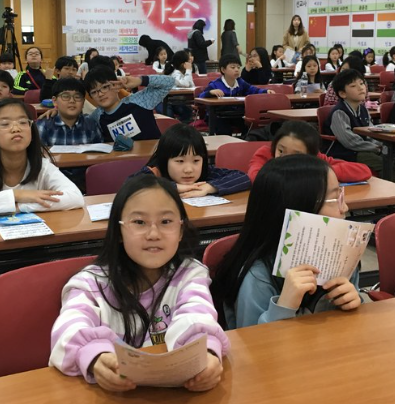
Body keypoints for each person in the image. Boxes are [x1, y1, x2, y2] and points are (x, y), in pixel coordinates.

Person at [49, 175, 229, 392]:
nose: (153, 234)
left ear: (181, 230)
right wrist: (95, 356)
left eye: (166, 222)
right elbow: (70, 327)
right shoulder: (90, 283)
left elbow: (198, 315)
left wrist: (206, 352)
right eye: (139, 222)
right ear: (119, 231)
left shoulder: (190, 274)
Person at [212, 155, 361, 330]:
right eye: (335, 199)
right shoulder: (257, 276)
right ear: (301, 210)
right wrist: (284, 306)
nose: (345, 208)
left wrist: (353, 301)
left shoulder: (340, 254)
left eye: (341, 195)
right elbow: (250, 342)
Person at [0, 99, 84, 220]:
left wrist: (21, 207)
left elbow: (75, 197)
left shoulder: (42, 166)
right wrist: (16, 195)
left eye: (23, 122)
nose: (16, 128)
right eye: (5, 124)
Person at [324, 69, 395, 186]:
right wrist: (376, 148)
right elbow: (350, 141)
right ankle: (388, 197)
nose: (360, 88)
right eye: (353, 86)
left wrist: (380, 146)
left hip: (367, 149)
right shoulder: (339, 112)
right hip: (348, 153)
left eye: (361, 83)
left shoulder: (363, 109)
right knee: (386, 165)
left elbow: (371, 132)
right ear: (343, 94)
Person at [135, 123, 250, 197]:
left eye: (196, 161)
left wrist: (210, 187)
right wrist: (173, 187)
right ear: (165, 160)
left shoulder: (206, 173)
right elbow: (133, 184)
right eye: (180, 161)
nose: (189, 170)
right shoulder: (155, 173)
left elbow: (243, 178)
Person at [247, 120, 371, 183]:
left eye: (296, 155)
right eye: (281, 151)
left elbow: (363, 171)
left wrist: (317, 171)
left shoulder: (316, 160)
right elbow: (256, 176)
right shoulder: (265, 153)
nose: (285, 159)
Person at [85, 66, 175, 141]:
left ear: (116, 85)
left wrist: (140, 80)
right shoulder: (97, 116)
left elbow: (170, 82)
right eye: (94, 92)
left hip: (152, 155)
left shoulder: (140, 100)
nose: (100, 94)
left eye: (105, 87)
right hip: (121, 157)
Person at [36, 77, 104, 147]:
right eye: (66, 96)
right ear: (54, 101)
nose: (72, 101)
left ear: (83, 102)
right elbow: (38, 153)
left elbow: (99, 151)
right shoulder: (43, 125)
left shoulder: (91, 124)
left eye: (77, 97)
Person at [163, 50, 194, 123]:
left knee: (188, 111)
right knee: (173, 118)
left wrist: (188, 72)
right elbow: (186, 84)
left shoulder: (184, 73)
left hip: (178, 102)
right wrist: (188, 70)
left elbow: (192, 85)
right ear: (183, 64)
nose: (190, 63)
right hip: (168, 102)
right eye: (188, 61)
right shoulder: (175, 73)